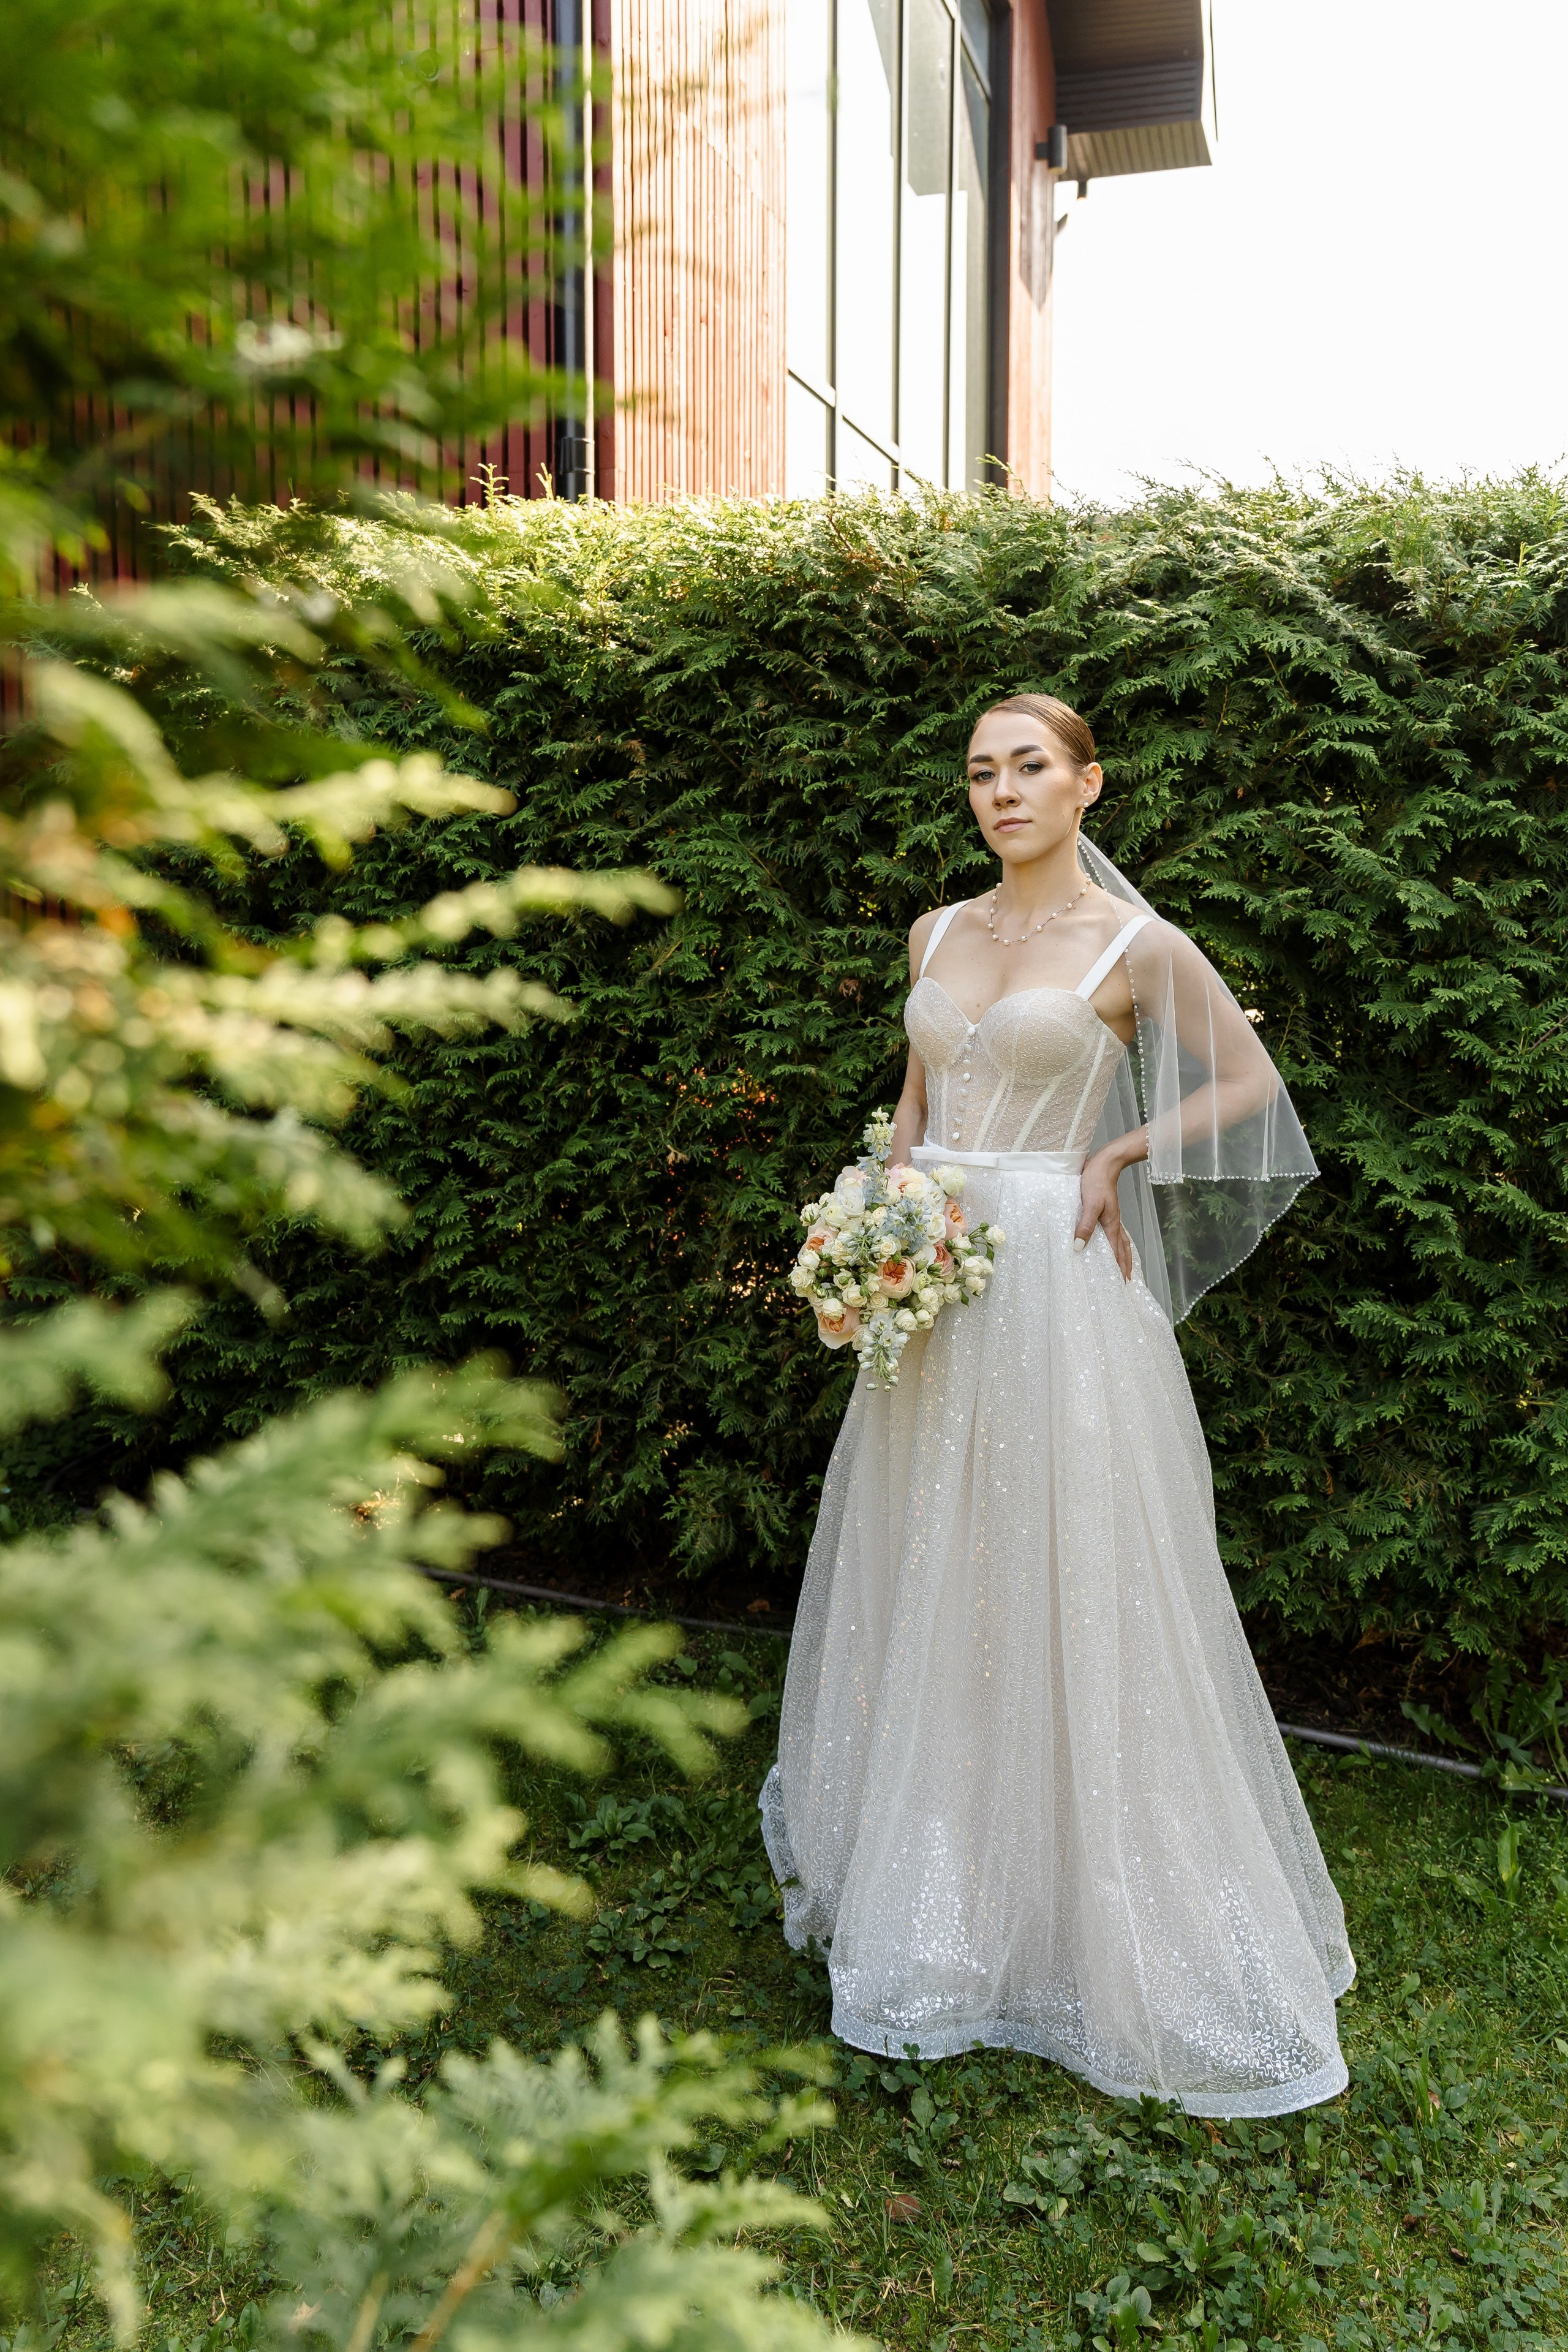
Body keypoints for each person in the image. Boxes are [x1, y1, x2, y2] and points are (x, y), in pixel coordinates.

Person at [760, 692, 1353, 2118]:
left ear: (1087, 783)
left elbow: (1250, 1087)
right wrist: (868, 1228)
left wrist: (1120, 1152)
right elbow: (912, 1103)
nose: (1000, 790)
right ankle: (935, 1889)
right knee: (931, 1566)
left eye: (1028, 766)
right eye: (980, 772)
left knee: (1068, 1572)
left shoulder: (1134, 945)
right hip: (932, 1282)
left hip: (1055, 1287)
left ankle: (1085, 1902)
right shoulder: (936, 933)